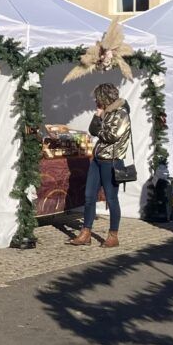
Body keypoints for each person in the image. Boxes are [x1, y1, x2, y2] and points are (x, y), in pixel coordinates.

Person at [67, 83, 131, 249]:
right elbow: (92, 129)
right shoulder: (106, 113)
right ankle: (86, 233)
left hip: (112, 161)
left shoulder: (121, 113)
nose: (95, 100)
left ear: (105, 97)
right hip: (97, 159)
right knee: (89, 196)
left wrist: (99, 126)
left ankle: (113, 235)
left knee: (111, 198)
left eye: (97, 97)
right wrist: (97, 116)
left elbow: (111, 136)